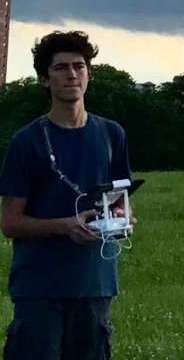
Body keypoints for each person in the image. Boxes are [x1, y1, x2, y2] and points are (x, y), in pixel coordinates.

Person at [0, 32, 133, 360]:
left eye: (79, 66)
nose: (71, 74)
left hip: (94, 287)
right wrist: (65, 225)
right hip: (40, 290)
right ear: (45, 79)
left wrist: (121, 220)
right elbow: (9, 222)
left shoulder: (111, 135)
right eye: (60, 68)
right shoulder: (26, 141)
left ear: (89, 73)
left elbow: (119, 202)